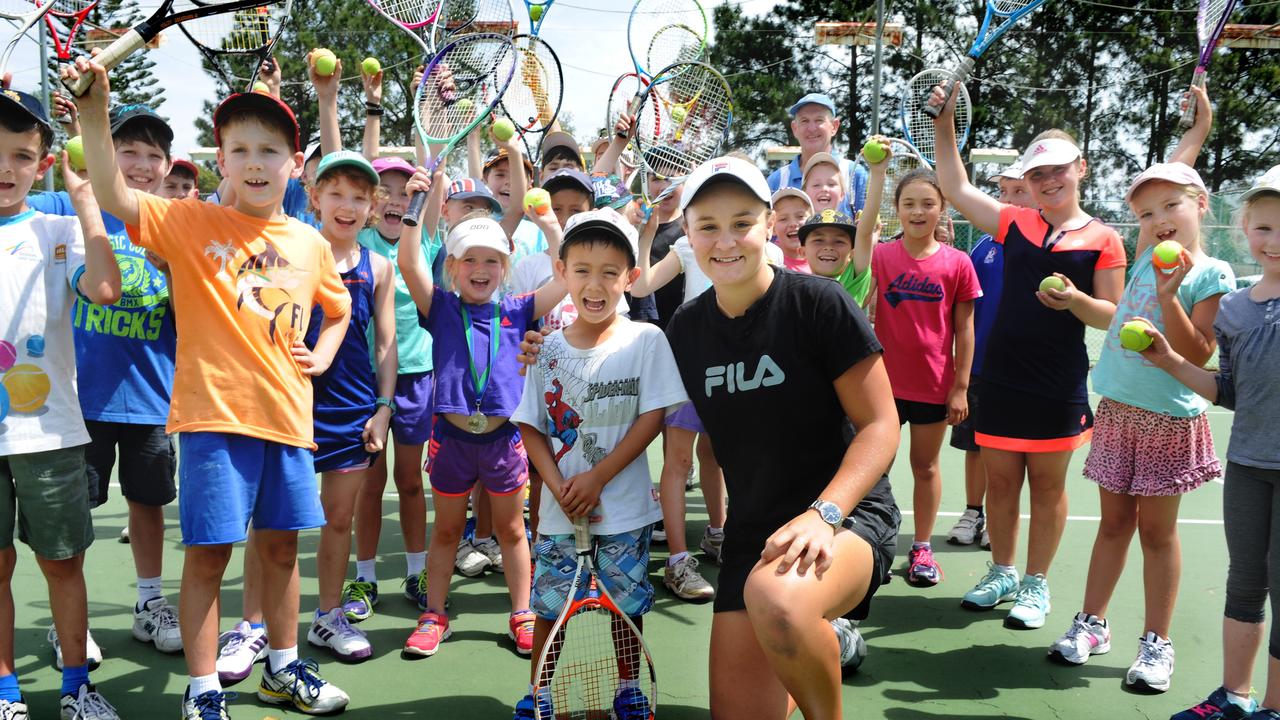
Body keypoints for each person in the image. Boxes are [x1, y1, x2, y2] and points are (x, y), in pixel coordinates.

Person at [523, 156, 902, 719]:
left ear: (770, 225)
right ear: (689, 238)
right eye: (708, 226)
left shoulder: (818, 303)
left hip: (845, 519)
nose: (726, 241)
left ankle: (819, 642)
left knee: (780, 602)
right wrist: (548, 354)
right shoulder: (687, 330)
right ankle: (810, 629)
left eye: (742, 222)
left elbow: (880, 425)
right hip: (753, 539)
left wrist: (825, 512)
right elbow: (616, 365)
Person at [67, 54, 353, 718]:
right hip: (212, 422)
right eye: (240, 148)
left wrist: (324, 352)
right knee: (208, 557)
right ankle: (203, 692)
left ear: (295, 164)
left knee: (281, 550)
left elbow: (337, 307)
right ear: (220, 158)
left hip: (286, 422)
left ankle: (283, 669)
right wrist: (92, 112)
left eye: (271, 149)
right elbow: (112, 193)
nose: (256, 161)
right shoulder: (190, 222)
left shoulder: (309, 244)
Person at [930, 85, 1125, 630]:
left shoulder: (1104, 238)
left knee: (1047, 487)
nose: (1047, 181)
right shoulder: (1014, 222)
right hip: (1001, 379)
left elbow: (1113, 315)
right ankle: (1003, 571)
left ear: (1080, 168)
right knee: (1001, 483)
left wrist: (1076, 301)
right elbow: (954, 184)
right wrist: (945, 122)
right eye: (1037, 175)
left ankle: (1036, 583)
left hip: (1058, 383)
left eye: (1057, 170)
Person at [511, 208, 687, 719]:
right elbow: (529, 425)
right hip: (558, 514)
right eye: (582, 270)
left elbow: (652, 417)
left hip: (627, 514)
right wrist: (562, 487)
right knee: (549, 611)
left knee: (627, 609)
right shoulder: (543, 351)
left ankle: (628, 687)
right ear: (560, 271)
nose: (596, 284)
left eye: (610, 272)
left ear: (631, 279)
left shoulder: (646, 340)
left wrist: (597, 478)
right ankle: (539, 693)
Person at [27, 102, 184, 662]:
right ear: (103, 153)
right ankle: (72, 619)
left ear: (167, 167)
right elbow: (14, 180)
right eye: (128, 151)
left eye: (153, 155)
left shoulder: (174, 225)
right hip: (77, 401)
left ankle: (149, 604)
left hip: (150, 399)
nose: (141, 164)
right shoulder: (64, 208)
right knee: (76, 518)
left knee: (148, 504)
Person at [395, 166, 569, 659]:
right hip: (451, 442)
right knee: (448, 530)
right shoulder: (443, 308)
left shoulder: (518, 309)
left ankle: (522, 612)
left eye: (492, 260)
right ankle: (434, 613)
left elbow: (564, 276)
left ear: (505, 267)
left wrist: (552, 226)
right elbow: (410, 266)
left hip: (503, 442)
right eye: (469, 259)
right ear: (452, 267)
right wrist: (415, 209)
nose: (481, 268)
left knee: (514, 530)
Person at [0, 87, 123, 720]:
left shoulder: (56, 228)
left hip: (47, 435)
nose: (5, 170)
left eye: (22, 155)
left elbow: (105, 287)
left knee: (62, 564)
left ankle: (77, 686)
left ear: (44, 163)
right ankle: (5, 691)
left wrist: (85, 202)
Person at [1156, 163, 1280, 720]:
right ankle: (1235, 697)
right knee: (1245, 580)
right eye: (1264, 227)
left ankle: (1274, 708)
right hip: (1250, 464)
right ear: (1245, 229)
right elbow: (1225, 390)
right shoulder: (1232, 308)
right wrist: (1169, 359)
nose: (1274, 241)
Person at [859, 154, 980, 587]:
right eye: (909, 203)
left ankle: (922, 547)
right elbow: (857, 305)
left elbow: (965, 330)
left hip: (934, 386)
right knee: (874, 469)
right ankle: (875, 544)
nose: (917, 212)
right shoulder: (881, 257)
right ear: (897, 208)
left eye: (927, 203)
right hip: (882, 388)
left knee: (925, 467)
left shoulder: (957, 263)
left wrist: (960, 387)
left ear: (941, 209)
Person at [299, 151, 398, 663]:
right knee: (273, 525)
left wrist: (383, 409)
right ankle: (253, 625)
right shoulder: (292, 248)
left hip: (352, 409)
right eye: (335, 192)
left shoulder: (378, 266)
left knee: (338, 519)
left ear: (373, 207)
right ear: (314, 197)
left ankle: (327, 616)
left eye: (360, 197)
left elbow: (385, 345)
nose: (347, 205)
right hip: (289, 404)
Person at [347, 155, 440, 624]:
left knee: (408, 481)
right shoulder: (355, 241)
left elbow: (434, 200)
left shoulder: (423, 239)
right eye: (386, 191)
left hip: (417, 374)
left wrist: (435, 181)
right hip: (361, 377)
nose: (397, 199)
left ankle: (417, 572)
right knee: (368, 483)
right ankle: (363, 576)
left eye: (408, 192)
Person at [628, 203, 730, 603]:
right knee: (679, 462)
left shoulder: (767, 253)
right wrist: (647, 236)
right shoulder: (687, 247)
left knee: (719, 457)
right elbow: (639, 287)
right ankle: (677, 560)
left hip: (735, 371)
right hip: (687, 368)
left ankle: (718, 535)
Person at [946, 161, 1036, 549]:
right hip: (981, 368)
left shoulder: (1045, 246)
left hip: (1024, 372)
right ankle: (974, 512)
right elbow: (963, 305)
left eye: (1019, 191)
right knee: (974, 446)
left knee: (1013, 452)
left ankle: (1003, 516)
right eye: (1004, 191)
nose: (1009, 199)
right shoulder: (984, 245)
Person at [766, 92, 867, 215]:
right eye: (804, 121)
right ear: (794, 128)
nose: (812, 128)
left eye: (819, 120)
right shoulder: (777, 180)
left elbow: (868, 229)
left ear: (834, 126)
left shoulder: (854, 174)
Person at [772, 188, 812, 273]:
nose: (793, 224)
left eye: (800, 216)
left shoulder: (821, 257)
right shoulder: (769, 261)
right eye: (783, 219)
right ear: (772, 227)